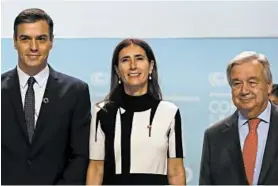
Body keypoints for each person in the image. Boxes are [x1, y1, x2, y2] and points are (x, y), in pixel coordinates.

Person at [1, 8, 91, 185]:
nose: (33, 47)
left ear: (51, 42)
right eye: (25, 39)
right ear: (14, 42)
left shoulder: (75, 91)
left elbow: (80, 156)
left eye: (41, 39)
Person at [86, 38, 186, 185]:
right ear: (117, 70)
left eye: (139, 59)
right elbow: (96, 169)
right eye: (125, 60)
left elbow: (176, 171)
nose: (133, 66)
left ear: (151, 66)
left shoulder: (169, 112)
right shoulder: (102, 112)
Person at [199, 51, 278, 185]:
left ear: (268, 86)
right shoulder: (214, 136)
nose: (244, 90)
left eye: (252, 82)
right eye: (237, 83)